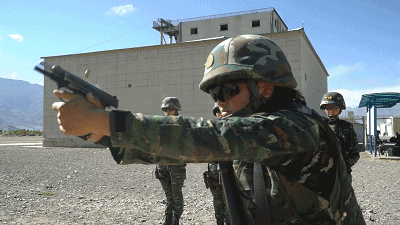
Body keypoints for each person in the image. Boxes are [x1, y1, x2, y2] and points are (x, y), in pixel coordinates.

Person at [52, 34, 366, 224]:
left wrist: (105, 121)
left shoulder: (298, 127)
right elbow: (183, 151)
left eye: (229, 90)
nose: (220, 102)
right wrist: (101, 132)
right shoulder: (248, 132)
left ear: (266, 89)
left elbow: (211, 138)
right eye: (215, 95)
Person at [156, 97, 187, 225]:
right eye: (165, 110)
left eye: (170, 109)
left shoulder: (182, 124)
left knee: (176, 195)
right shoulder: (161, 124)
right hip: (162, 165)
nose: (167, 112)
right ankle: (168, 219)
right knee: (169, 196)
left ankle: (176, 220)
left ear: (176, 109)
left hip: (176, 166)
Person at [320, 92, 360, 173]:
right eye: (328, 107)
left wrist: (345, 165)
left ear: (340, 108)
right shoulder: (319, 126)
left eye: (334, 107)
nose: (331, 110)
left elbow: (355, 153)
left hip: (342, 172)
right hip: (322, 173)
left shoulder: (347, 127)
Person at [203, 103, 229, 225]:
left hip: (228, 172)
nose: (219, 113)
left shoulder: (232, 128)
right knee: (217, 202)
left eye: (220, 110)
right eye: (216, 111)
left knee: (230, 203)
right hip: (214, 172)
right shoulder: (212, 129)